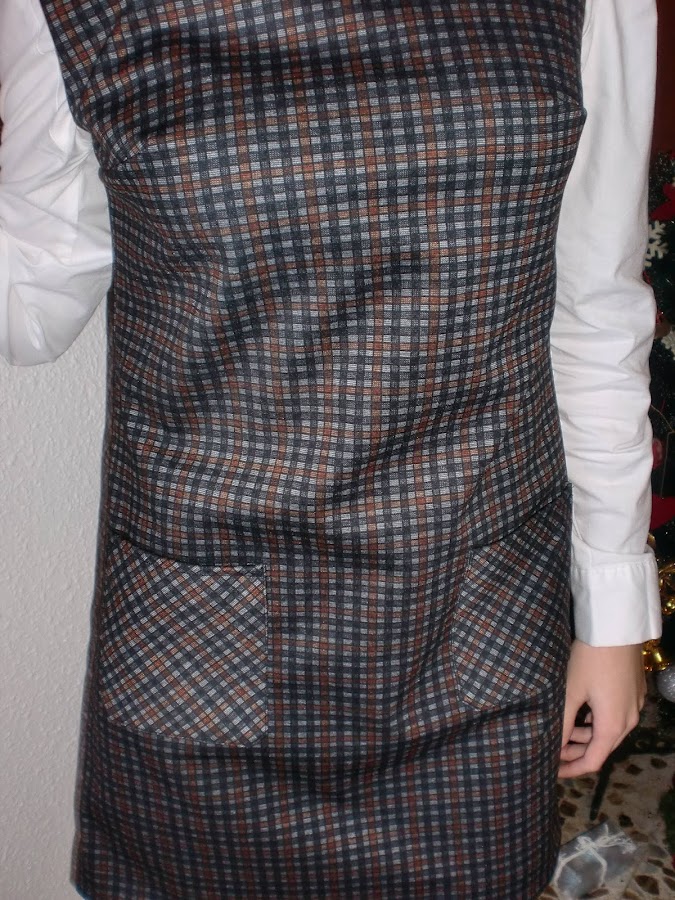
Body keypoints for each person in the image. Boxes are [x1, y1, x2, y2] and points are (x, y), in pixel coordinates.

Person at [0, 0, 663, 896]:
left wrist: (614, 611)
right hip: (201, 637)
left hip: (473, 620)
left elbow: (594, 308)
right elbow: (33, 302)